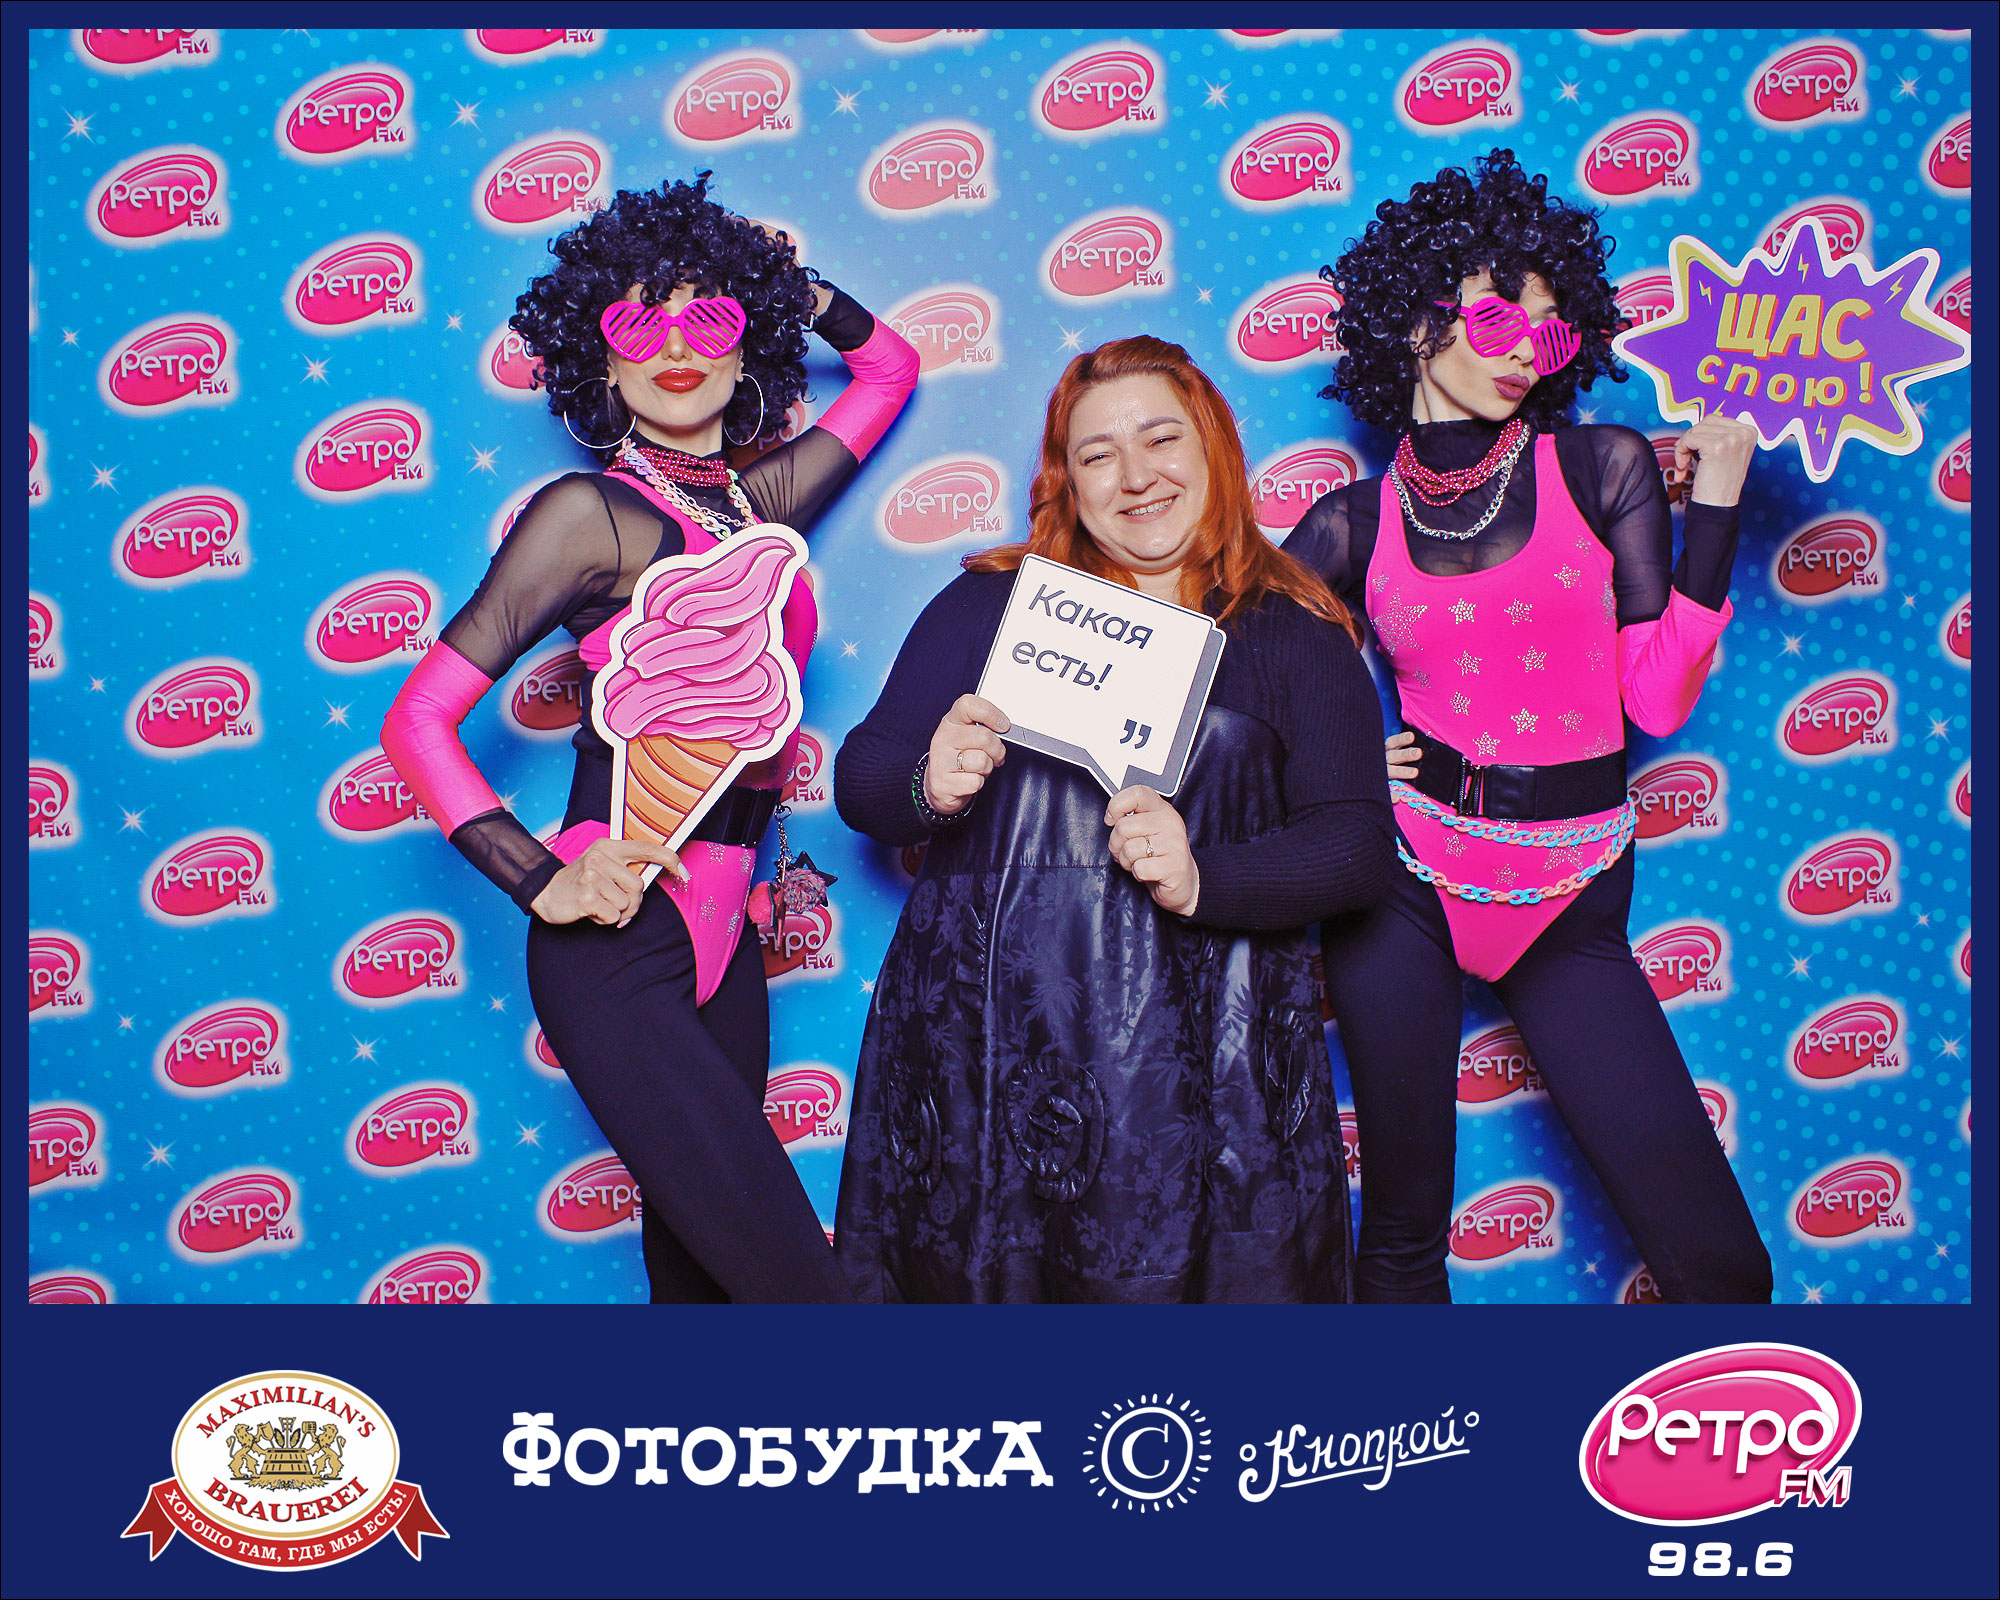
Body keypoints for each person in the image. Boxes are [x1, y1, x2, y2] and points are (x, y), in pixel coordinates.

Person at [381, 174, 919, 1302]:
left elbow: (888, 370)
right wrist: (538, 879)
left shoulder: (761, 510)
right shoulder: (586, 518)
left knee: (703, 1284)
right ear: (603, 363)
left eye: (708, 319)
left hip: (731, 931)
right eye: (639, 324)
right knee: (801, 1292)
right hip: (617, 934)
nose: (676, 347)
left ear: (746, 348)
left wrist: (795, 287)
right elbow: (416, 720)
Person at [1285, 149, 1772, 1303]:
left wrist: (1713, 509)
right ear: (1415, 323)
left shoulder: (1600, 467)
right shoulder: (1348, 522)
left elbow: (1652, 700)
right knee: (1399, 1243)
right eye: (1497, 316)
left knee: (1717, 1265)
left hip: (1568, 883)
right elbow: (1234, 679)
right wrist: (1337, 761)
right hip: (1402, 880)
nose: (1522, 350)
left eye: (1549, 334)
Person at [832, 336, 1393, 1303]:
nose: (1136, 476)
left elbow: (1355, 846)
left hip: (1201, 1070)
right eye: (1098, 454)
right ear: (1068, 480)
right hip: (986, 1056)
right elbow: (864, 777)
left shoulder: (1292, 627)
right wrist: (927, 782)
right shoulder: (992, 604)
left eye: (1161, 439)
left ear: (1214, 448)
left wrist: (1205, 876)